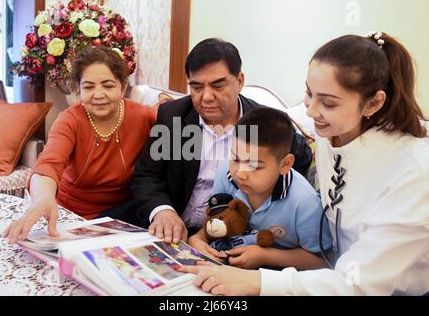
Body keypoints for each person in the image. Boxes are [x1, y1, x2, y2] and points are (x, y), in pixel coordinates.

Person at [180, 32, 429, 295]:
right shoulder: (331, 132)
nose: (310, 111)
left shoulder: (413, 172)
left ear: (374, 103)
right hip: (327, 279)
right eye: (309, 93)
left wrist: (257, 281)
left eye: (328, 103)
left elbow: (360, 283)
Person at [121, 38, 313, 244]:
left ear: (239, 81)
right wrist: (163, 212)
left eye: (218, 85)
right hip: (173, 230)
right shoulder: (174, 116)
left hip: (232, 237)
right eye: (196, 87)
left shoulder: (264, 123)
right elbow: (147, 175)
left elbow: (299, 159)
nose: (206, 97)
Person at [4, 46, 156, 243]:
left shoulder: (142, 116)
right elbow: (49, 163)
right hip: (72, 217)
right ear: (78, 89)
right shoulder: (70, 120)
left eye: (108, 85)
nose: (98, 94)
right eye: (89, 87)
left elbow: (178, 115)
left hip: (122, 216)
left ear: (123, 84)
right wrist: (43, 198)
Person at [188, 107, 332, 269]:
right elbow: (217, 220)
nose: (240, 174)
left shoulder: (305, 202)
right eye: (235, 159)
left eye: (253, 165)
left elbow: (323, 261)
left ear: (285, 164)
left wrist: (265, 256)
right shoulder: (225, 174)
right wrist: (197, 240)